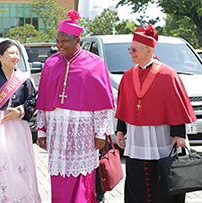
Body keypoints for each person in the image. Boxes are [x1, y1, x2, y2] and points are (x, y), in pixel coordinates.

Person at [36, 10, 114, 203]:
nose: (59, 44)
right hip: (57, 129)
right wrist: (42, 131)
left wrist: (100, 133)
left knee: (81, 173)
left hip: (83, 130)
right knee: (59, 173)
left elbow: (103, 104)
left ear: (77, 40)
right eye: (58, 40)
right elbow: (43, 102)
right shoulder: (50, 63)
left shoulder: (95, 63)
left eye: (64, 41)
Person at [115, 24, 197, 203]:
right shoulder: (128, 75)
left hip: (160, 138)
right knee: (137, 179)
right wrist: (120, 130)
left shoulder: (168, 75)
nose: (130, 52)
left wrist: (179, 135)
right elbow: (124, 104)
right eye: (130, 48)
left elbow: (176, 106)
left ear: (149, 50)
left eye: (134, 49)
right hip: (136, 137)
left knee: (162, 181)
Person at [0, 40, 41, 203]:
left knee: (19, 162)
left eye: (17, 53)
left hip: (17, 126)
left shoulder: (24, 79)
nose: (15, 57)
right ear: (0, 56)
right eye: (11, 53)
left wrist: (20, 111)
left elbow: (33, 101)